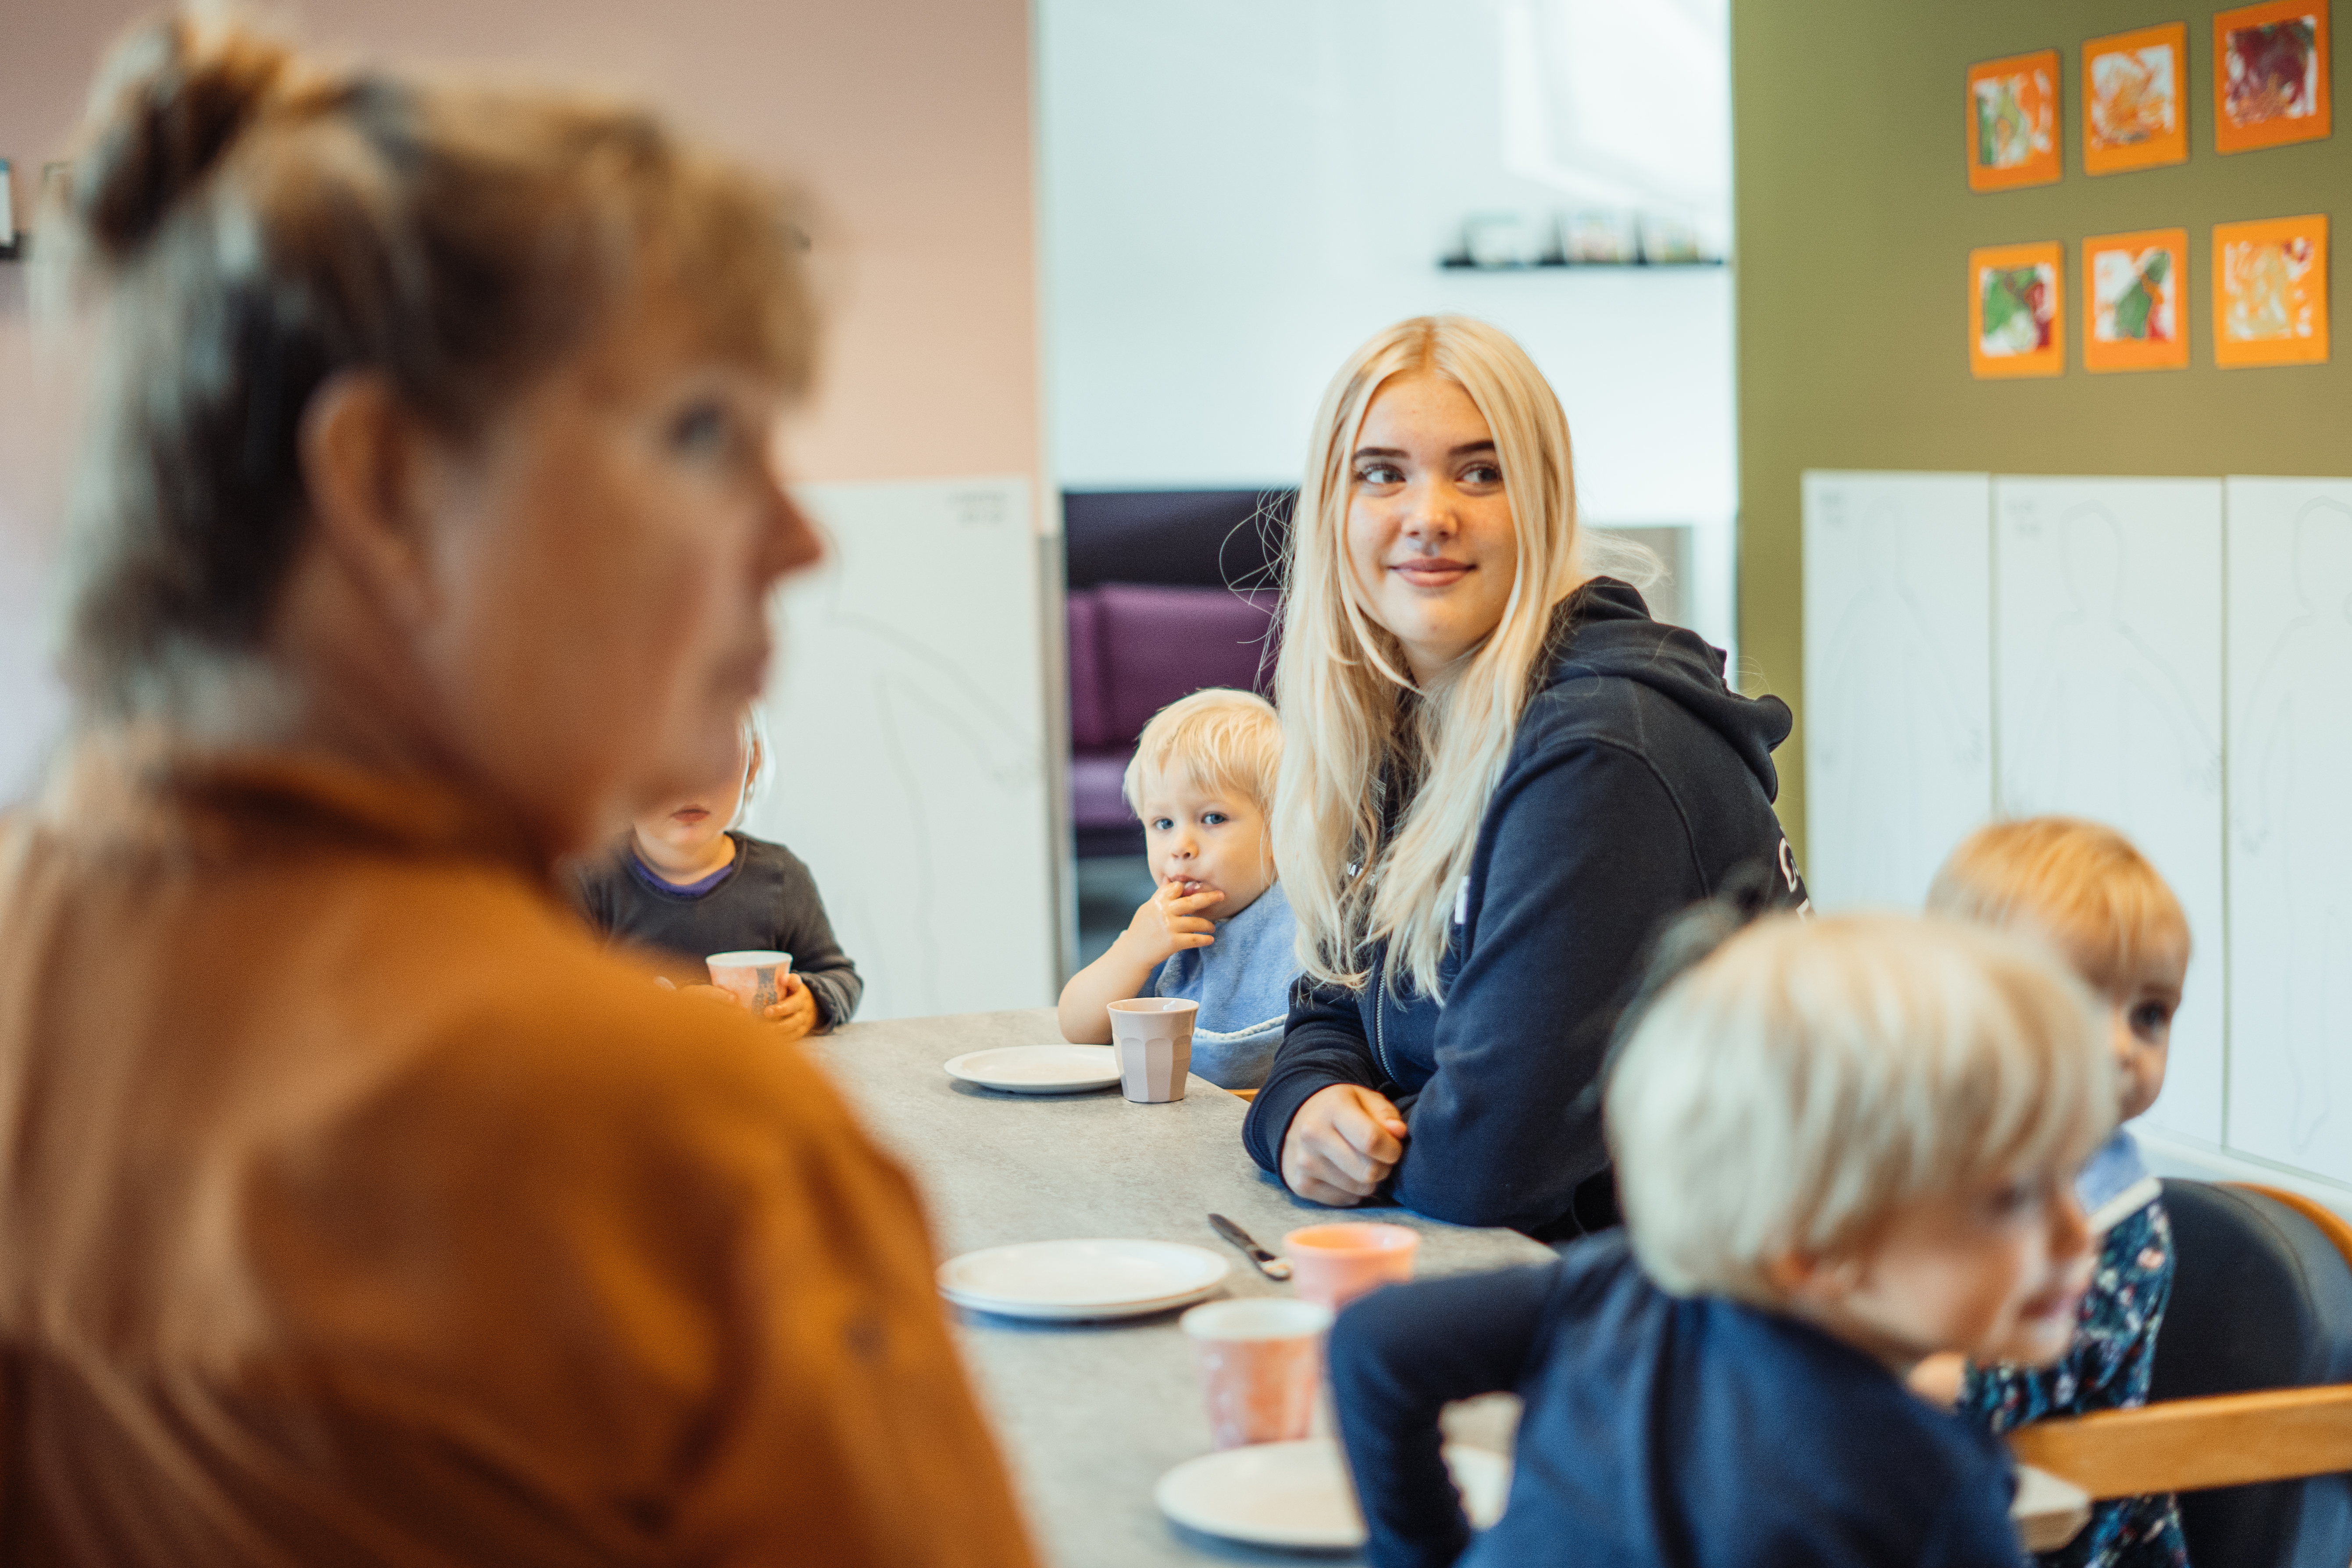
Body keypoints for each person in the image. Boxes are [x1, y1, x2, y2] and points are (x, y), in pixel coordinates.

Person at [0, 13, 1033, 1565]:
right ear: (392, 486)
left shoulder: (36, 925)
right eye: (702, 432)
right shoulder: (671, 1142)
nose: (797, 535)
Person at [1241, 314, 1807, 1238]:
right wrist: (1300, 1109)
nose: (1430, 515)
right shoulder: (1418, 718)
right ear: (1333, 509)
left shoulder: (1599, 756)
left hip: (1702, 1317)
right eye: (1382, 473)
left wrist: (1368, 1140)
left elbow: (1486, 1168)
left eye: (1480, 472)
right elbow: (1333, 998)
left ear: (1540, 504)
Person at [1328, 911, 2113, 1568]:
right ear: (1809, 1245)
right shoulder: (1928, 1488)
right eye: (2013, 1196)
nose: (2078, 1232)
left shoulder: (1613, 1287)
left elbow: (1374, 1340)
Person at [1913, 818, 2191, 1568]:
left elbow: (2034, 1378)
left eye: (2148, 1014)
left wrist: (1894, 1377)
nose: (2116, 1047)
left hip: (2075, 1526)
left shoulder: (2121, 1220)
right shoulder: (1941, 1163)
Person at [574, 711, 862, 1042]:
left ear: (752, 765)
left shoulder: (781, 878)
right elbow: (560, 1002)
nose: (692, 783)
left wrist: (813, 1004)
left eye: (717, 757)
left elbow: (840, 977)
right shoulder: (589, 880)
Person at [1056, 688, 1293, 1089]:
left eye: (1213, 818)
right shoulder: (1164, 926)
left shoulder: (1305, 918)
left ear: (1282, 827)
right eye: (1163, 824)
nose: (1180, 846)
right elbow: (1078, 1028)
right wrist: (1132, 952)